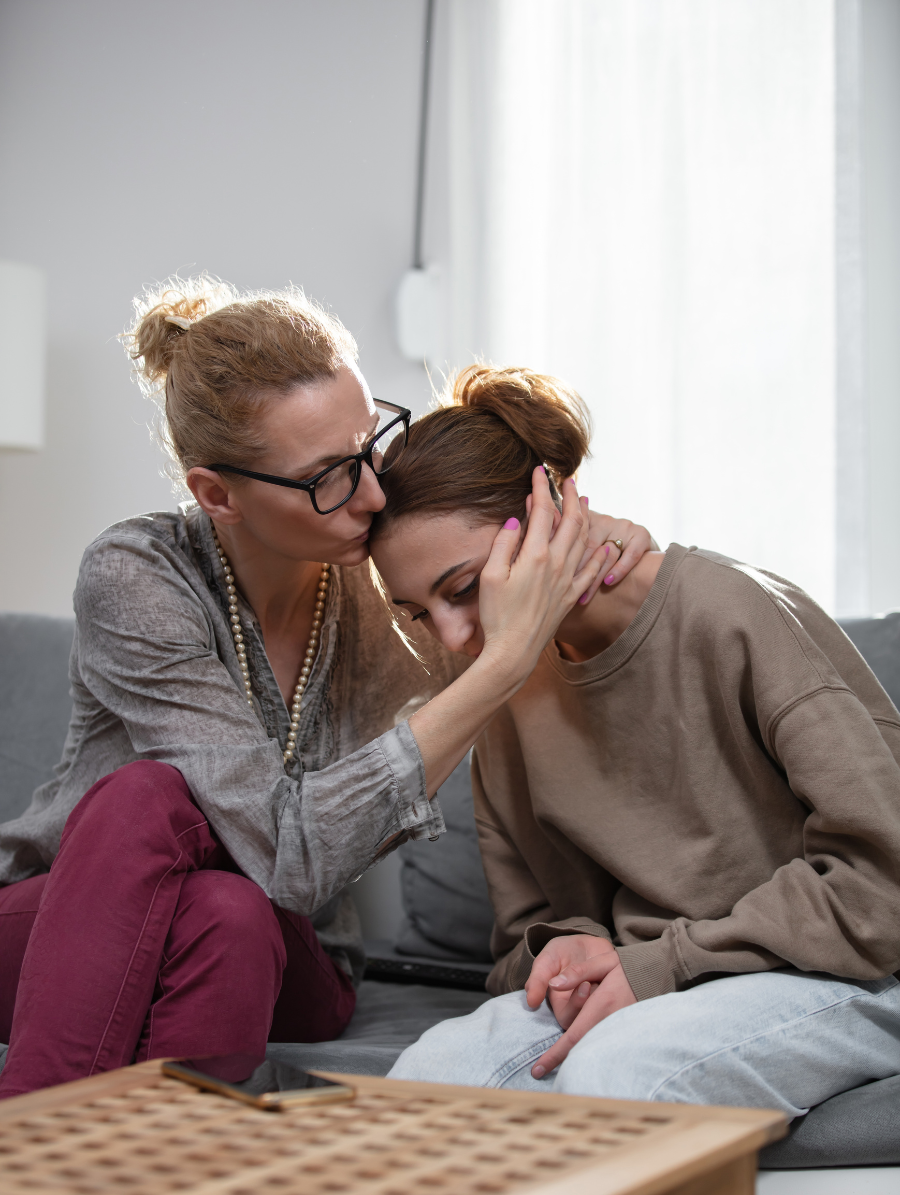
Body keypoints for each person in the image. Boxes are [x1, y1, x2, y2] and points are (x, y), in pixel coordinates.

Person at [0, 279, 652, 1099]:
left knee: (234, 904)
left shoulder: (390, 586)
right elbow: (284, 858)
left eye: (369, 448)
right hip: (61, 921)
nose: (374, 496)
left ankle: (26, 1163)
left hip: (301, 959)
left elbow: (523, 580)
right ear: (217, 495)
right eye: (329, 477)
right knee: (182, 848)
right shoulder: (138, 576)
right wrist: (497, 667)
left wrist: (600, 546)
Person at [370, 363, 900, 1119]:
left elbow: (882, 888)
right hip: (661, 983)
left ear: (550, 506)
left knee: (618, 1079)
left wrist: (659, 965)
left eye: (463, 588)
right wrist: (569, 949)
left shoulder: (729, 613)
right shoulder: (504, 683)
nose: (455, 636)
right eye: (419, 612)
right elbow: (530, 927)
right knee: (420, 1087)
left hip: (847, 970)